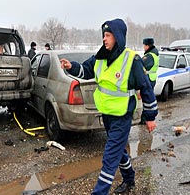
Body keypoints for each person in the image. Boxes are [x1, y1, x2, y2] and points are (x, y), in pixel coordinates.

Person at [60, 18, 158, 194]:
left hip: (123, 116)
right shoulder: (101, 56)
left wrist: (150, 117)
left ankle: (99, 192)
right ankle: (129, 180)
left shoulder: (131, 59)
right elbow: (85, 70)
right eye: (103, 35)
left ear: (118, 36)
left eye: (108, 35)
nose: (104, 39)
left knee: (110, 156)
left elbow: (146, 88)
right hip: (106, 114)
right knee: (119, 152)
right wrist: (71, 67)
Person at [139, 37, 159, 125]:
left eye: (144, 45)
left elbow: (141, 65)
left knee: (146, 99)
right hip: (152, 77)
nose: (143, 47)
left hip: (148, 78)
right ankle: (145, 118)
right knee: (149, 97)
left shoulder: (149, 56)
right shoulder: (155, 54)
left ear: (147, 45)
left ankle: (144, 119)